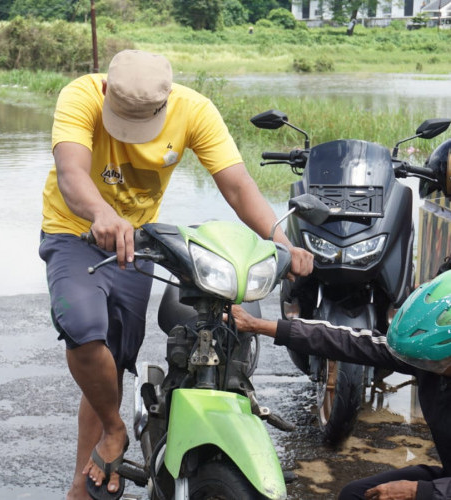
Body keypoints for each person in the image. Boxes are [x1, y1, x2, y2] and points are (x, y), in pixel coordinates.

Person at [38, 49, 313, 500]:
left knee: (112, 361)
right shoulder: (80, 95)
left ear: (165, 104)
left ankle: (81, 482)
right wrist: (101, 215)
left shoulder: (194, 110)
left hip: (139, 243)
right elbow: (70, 173)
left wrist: (281, 242)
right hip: (75, 231)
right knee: (83, 330)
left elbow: (238, 185)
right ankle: (113, 431)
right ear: (106, 90)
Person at [231, 271, 451, 500]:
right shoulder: (426, 358)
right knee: (355, 494)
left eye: (440, 361)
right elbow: (347, 341)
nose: (428, 365)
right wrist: (258, 325)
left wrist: (420, 492)